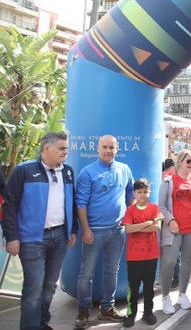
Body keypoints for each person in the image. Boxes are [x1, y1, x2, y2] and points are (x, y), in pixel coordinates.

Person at [3, 132, 78, 330]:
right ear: (46, 148)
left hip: (60, 236)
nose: (66, 152)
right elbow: (10, 204)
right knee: (34, 287)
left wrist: (72, 230)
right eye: (61, 148)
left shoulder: (67, 172)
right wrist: (12, 237)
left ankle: (42, 323)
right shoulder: (24, 170)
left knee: (50, 284)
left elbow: (71, 202)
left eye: (66, 148)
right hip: (32, 239)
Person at [75, 134, 134, 329]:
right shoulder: (87, 172)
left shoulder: (124, 169)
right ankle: (83, 311)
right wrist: (85, 229)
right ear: (97, 149)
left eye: (112, 147)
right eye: (105, 147)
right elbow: (81, 203)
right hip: (94, 231)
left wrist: (130, 218)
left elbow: (130, 193)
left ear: (117, 149)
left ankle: (107, 308)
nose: (108, 150)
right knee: (87, 273)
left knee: (112, 271)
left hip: (118, 230)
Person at [158, 149, 191, 314]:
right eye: (188, 161)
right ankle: (165, 296)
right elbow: (161, 206)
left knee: (187, 262)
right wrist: (170, 220)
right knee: (169, 261)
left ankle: (182, 294)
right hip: (174, 230)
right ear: (179, 162)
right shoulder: (168, 182)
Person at [121, 179, 163, 327]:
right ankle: (131, 313)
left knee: (149, 286)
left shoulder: (154, 208)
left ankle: (148, 312)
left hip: (151, 255)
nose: (142, 195)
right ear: (134, 193)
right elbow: (128, 229)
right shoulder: (130, 210)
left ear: (149, 193)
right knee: (133, 286)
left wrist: (137, 226)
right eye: (139, 192)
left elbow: (157, 227)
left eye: (145, 192)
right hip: (134, 256)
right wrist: (147, 223)